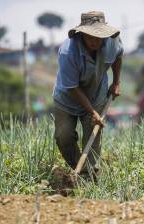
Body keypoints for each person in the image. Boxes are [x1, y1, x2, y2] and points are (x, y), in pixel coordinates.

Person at [52, 11, 123, 175]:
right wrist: (92, 111)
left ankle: (89, 176)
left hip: (96, 94)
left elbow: (118, 56)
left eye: (99, 37)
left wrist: (116, 82)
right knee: (64, 136)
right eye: (91, 37)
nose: (95, 41)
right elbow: (72, 87)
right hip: (67, 99)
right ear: (82, 33)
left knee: (93, 134)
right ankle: (79, 169)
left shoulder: (112, 42)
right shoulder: (68, 53)